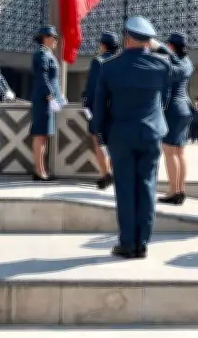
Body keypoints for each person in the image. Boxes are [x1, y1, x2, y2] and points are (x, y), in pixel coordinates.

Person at [91, 16, 191, 259]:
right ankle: (142, 243)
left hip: (121, 135)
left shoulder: (109, 66)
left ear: (126, 38)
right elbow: (185, 67)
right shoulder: (160, 65)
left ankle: (127, 243)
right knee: (147, 186)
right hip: (150, 134)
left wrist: (99, 133)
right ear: (148, 41)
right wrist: (162, 47)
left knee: (125, 188)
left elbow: (100, 105)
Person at [158, 32, 194, 205]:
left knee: (169, 150)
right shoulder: (187, 63)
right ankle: (180, 189)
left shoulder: (172, 63)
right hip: (185, 108)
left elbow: (166, 89)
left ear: (171, 46)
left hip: (173, 108)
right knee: (179, 151)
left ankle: (173, 191)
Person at [81, 31, 119, 190]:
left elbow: (92, 87)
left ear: (103, 45)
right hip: (116, 108)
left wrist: (86, 103)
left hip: (99, 108)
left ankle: (105, 174)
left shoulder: (98, 61)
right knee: (113, 143)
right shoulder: (119, 61)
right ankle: (114, 173)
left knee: (99, 140)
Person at [30, 25, 62, 181]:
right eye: (53, 37)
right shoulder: (42, 54)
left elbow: (52, 79)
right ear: (46, 38)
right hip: (44, 101)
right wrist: (50, 96)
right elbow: (42, 77)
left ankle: (42, 169)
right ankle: (39, 170)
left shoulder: (48, 54)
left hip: (48, 101)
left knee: (44, 136)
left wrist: (59, 96)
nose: (56, 40)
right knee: (40, 135)